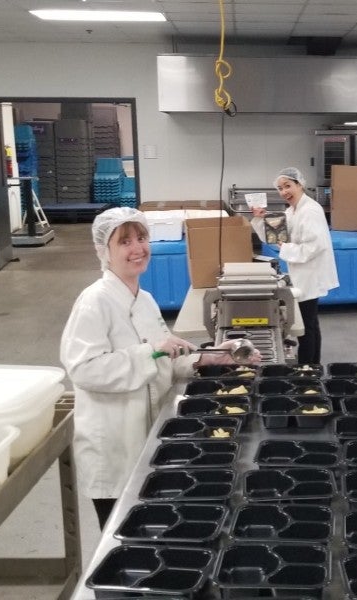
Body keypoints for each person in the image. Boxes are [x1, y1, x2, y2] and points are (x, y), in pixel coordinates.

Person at [60, 207, 258, 530]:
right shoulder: (94, 302)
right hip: (115, 447)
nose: (137, 248)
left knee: (153, 528)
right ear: (104, 250)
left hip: (148, 436)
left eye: (142, 237)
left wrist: (212, 357)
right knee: (123, 536)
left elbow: (165, 356)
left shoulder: (146, 299)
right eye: (124, 242)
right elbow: (84, 369)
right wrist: (149, 351)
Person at [251, 167, 338, 364]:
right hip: (302, 272)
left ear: (300, 185)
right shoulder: (292, 211)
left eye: (288, 186)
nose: (284, 192)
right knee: (310, 322)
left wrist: (287, 248)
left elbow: (315, 246)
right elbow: (275, 237)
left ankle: (307, 368)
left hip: (310, 273)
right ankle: (313, 365)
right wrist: (259, 218)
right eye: (280, 188)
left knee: (306, 324)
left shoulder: (311, 210)